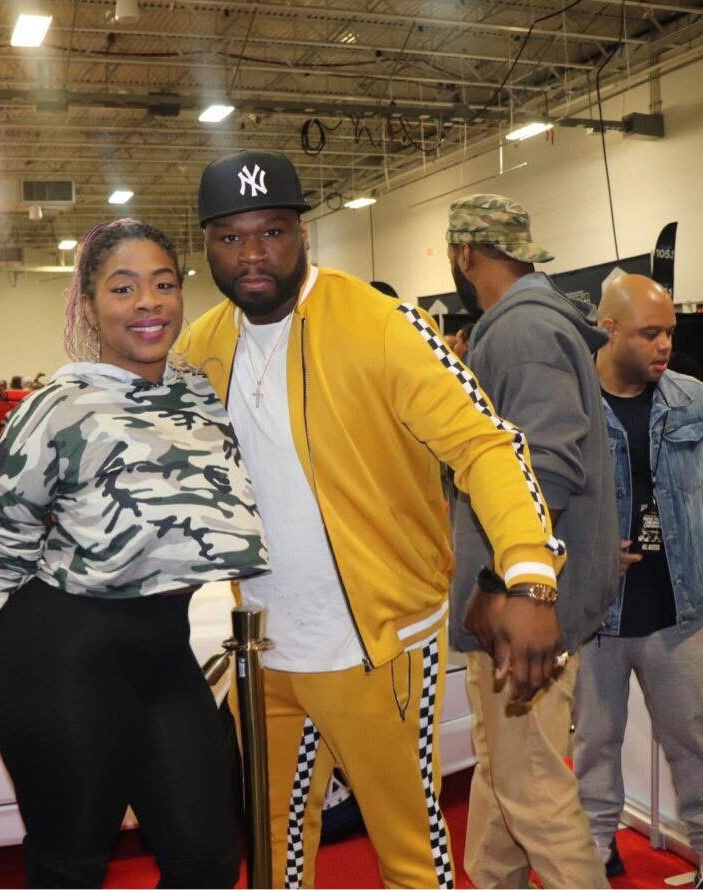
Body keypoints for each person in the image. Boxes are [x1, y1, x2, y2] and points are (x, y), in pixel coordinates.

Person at [182, 151, 566, 889]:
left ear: (302, 234)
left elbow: (486, 444)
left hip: (379, 644)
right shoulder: (201, 349)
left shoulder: (381, 323)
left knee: (409, 855)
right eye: (230, 237)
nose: (253, 253)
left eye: (272, 232)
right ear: (206, 245)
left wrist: (530, 575)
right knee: (270, 849)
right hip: (263, 650)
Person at [0, 219, 267, 889]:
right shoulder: (57, 404)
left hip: (164, 656)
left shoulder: (198, 393)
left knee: (207, 862)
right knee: (72, 866)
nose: (148, 302)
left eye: (163, 284)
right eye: (124, 288)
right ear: (89, 306)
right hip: (59, 656)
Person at [445, 193, 619, 889]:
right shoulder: (536, 325)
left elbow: (541, 465)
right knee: (504, 778)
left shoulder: (519, 334)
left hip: (525, 607)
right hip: (537, 594)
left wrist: (501, 583)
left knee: (535, 795)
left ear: (465, 255)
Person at [573, 272, 703, 888]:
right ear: (610, 328)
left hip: (679, 613)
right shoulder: (572, 406)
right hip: (596, 617)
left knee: (697, 746)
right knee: (593, 748)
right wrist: (580, 552)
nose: (664, 345)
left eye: (670, 332)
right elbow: (533, 497)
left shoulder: (690, 399)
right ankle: (594, 851)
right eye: (651, 333)